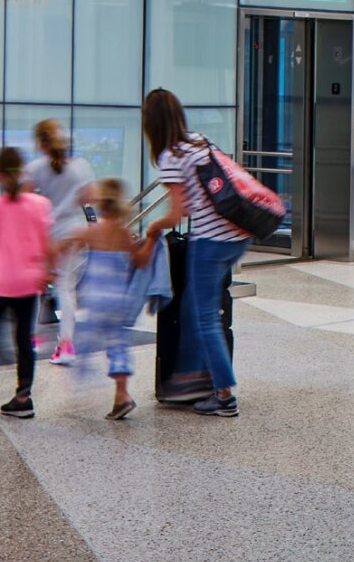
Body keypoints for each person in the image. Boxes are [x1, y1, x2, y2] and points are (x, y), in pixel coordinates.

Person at [144, 87, 248, 418]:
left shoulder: (170, 156)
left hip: (211, 241)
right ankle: (194, 377)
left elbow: (177, 213)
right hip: (236, 234)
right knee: (195, 308)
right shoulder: (199, 141)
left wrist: (151, 227)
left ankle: (222, 393)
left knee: (202, 317)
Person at [0, 145, 53, 418]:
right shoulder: (40, 204)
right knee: (24, 339)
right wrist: (48, 271)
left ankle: (2, 368)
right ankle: (24, 396)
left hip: (2, 283)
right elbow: (47, 243)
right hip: (30, 282)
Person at [74, 178, 154, 420]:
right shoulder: (123, 233)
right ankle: (122, 394)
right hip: (118, 301)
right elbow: (140, 261)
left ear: (101, 205)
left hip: (95, 300)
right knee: (117, 345)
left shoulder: (94, 231)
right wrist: (150, 240)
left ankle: (85, 375)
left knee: (84, 339)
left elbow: (67, 243)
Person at [22, 118, 93, 366]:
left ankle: (30, 340)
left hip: (47, 233)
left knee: (35, 286)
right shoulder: (81, 166)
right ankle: (65, 345)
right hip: (74, 233)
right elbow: (90, 198)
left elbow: (25, 203)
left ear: (41, 143)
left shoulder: (35, 168)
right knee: (66, 289)